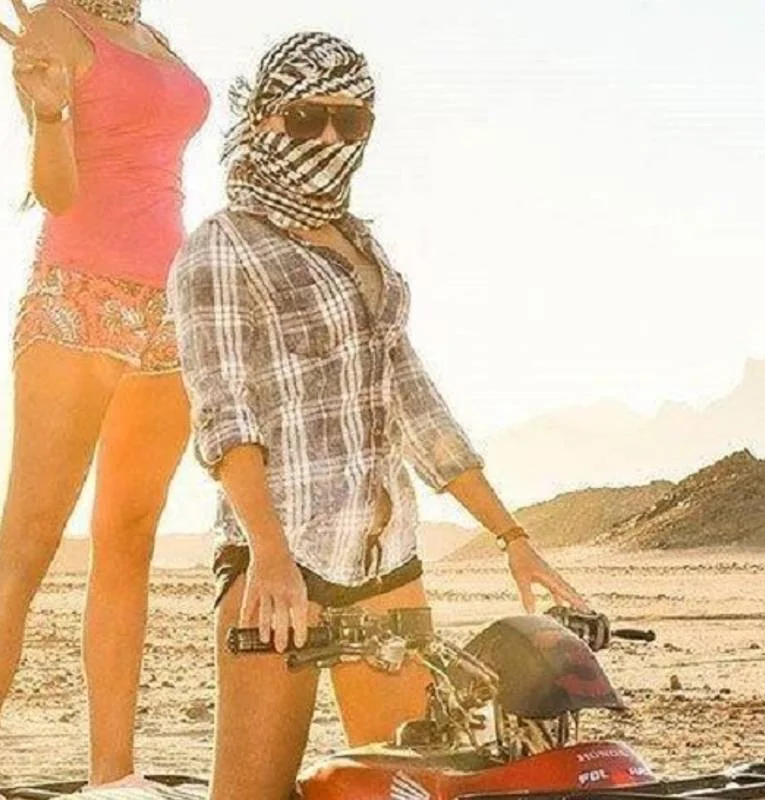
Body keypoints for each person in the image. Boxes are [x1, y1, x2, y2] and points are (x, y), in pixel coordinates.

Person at [169, 32, 589, 800]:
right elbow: (224, 410)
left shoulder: (364, 247)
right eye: (308, 118)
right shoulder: (222, 247)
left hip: (387, 564)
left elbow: (416, 407)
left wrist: (513, 537)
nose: (330, 138)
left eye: (352, 121)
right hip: (283, 563)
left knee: (411, 790)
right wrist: (269, 553)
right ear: (263, 118)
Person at [0, 0, 209, 797]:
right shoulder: (57, 27)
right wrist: (51, 112)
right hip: (79, 299)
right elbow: (57, 193)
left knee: (128, 540)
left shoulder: (151, 35)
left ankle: (113, 777)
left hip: (170, 310)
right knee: (29, 534)